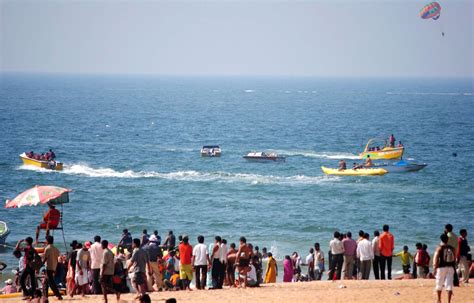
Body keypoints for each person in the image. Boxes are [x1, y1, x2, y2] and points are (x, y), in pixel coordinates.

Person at [434, 233, 456, 303]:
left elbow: (436, 258)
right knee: (449, 285)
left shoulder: (440, 247)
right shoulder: (452, 248)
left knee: (439, 283)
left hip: (442, 267)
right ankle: (449, 301)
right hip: (451, 267)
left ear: (441, 239)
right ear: (448, 239)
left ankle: (439, 299)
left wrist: (435, 268)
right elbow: (454, 258)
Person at [42, 235, 63, 300]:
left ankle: (57, 295)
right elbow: (57, 259)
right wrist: (55, 268)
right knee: (47, 282)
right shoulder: (56, 249)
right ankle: (46, 296)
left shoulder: (47, 248)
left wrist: (40, 265)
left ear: (47, 241)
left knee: (50, 283)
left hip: (48, 267)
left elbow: (45, 258)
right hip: (53, 267)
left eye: (46, 240)